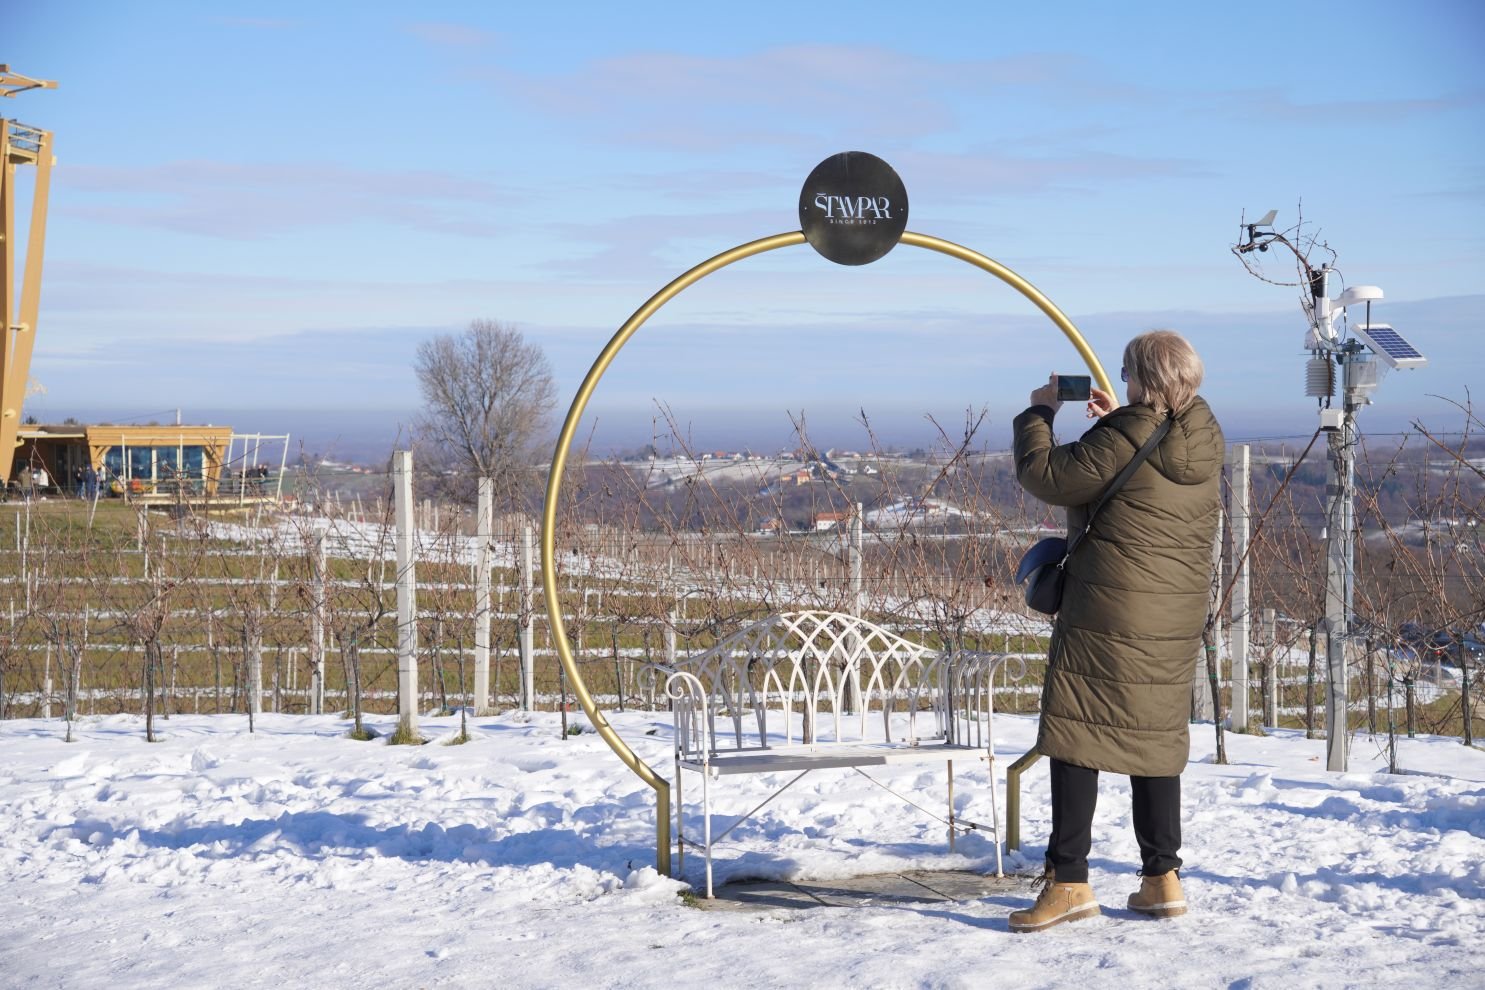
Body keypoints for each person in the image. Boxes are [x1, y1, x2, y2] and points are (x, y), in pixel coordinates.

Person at [1007, 330, 1224, 933]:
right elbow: (1142, 470)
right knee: (1154, 739)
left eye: (1127, 374)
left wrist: (1039, 413)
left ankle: (1069, 883)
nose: (1122, 382)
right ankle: (1162, 879)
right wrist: (1118, 423)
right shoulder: (1202, 435)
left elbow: (1046, 475)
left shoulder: (1127, 433)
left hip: (1110, 612)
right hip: (1172, 618)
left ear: (1142, 378)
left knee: (1077, 733)